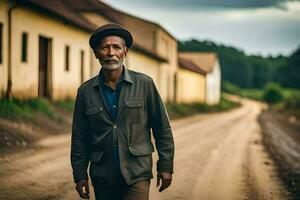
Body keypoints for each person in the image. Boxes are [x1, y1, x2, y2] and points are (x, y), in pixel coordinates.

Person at [71, 23, 175, 200]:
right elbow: (80, 137)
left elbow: (162, 128)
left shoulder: (145, 84)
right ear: (96, 53)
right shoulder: (85, 92)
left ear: (125, 52)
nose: (111, 53)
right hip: (102, 176)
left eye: (116, 47)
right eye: (104, 47)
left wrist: (165, 166)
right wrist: (80, 174)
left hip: (137, 174)